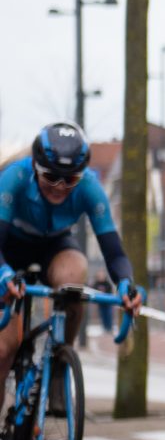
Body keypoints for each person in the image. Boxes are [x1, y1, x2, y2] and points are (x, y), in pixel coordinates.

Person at [0, 123, 142, 380]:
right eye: (50, 177)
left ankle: (59, 366)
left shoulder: (90, 187)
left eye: (71, 179)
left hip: (54, 248)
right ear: (34, 166)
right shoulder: (14, 177)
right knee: (2, 350)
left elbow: (114, 251)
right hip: (8, 248)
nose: (60, 186)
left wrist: (125, 283)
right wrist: (3, 273)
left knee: (75, 275)